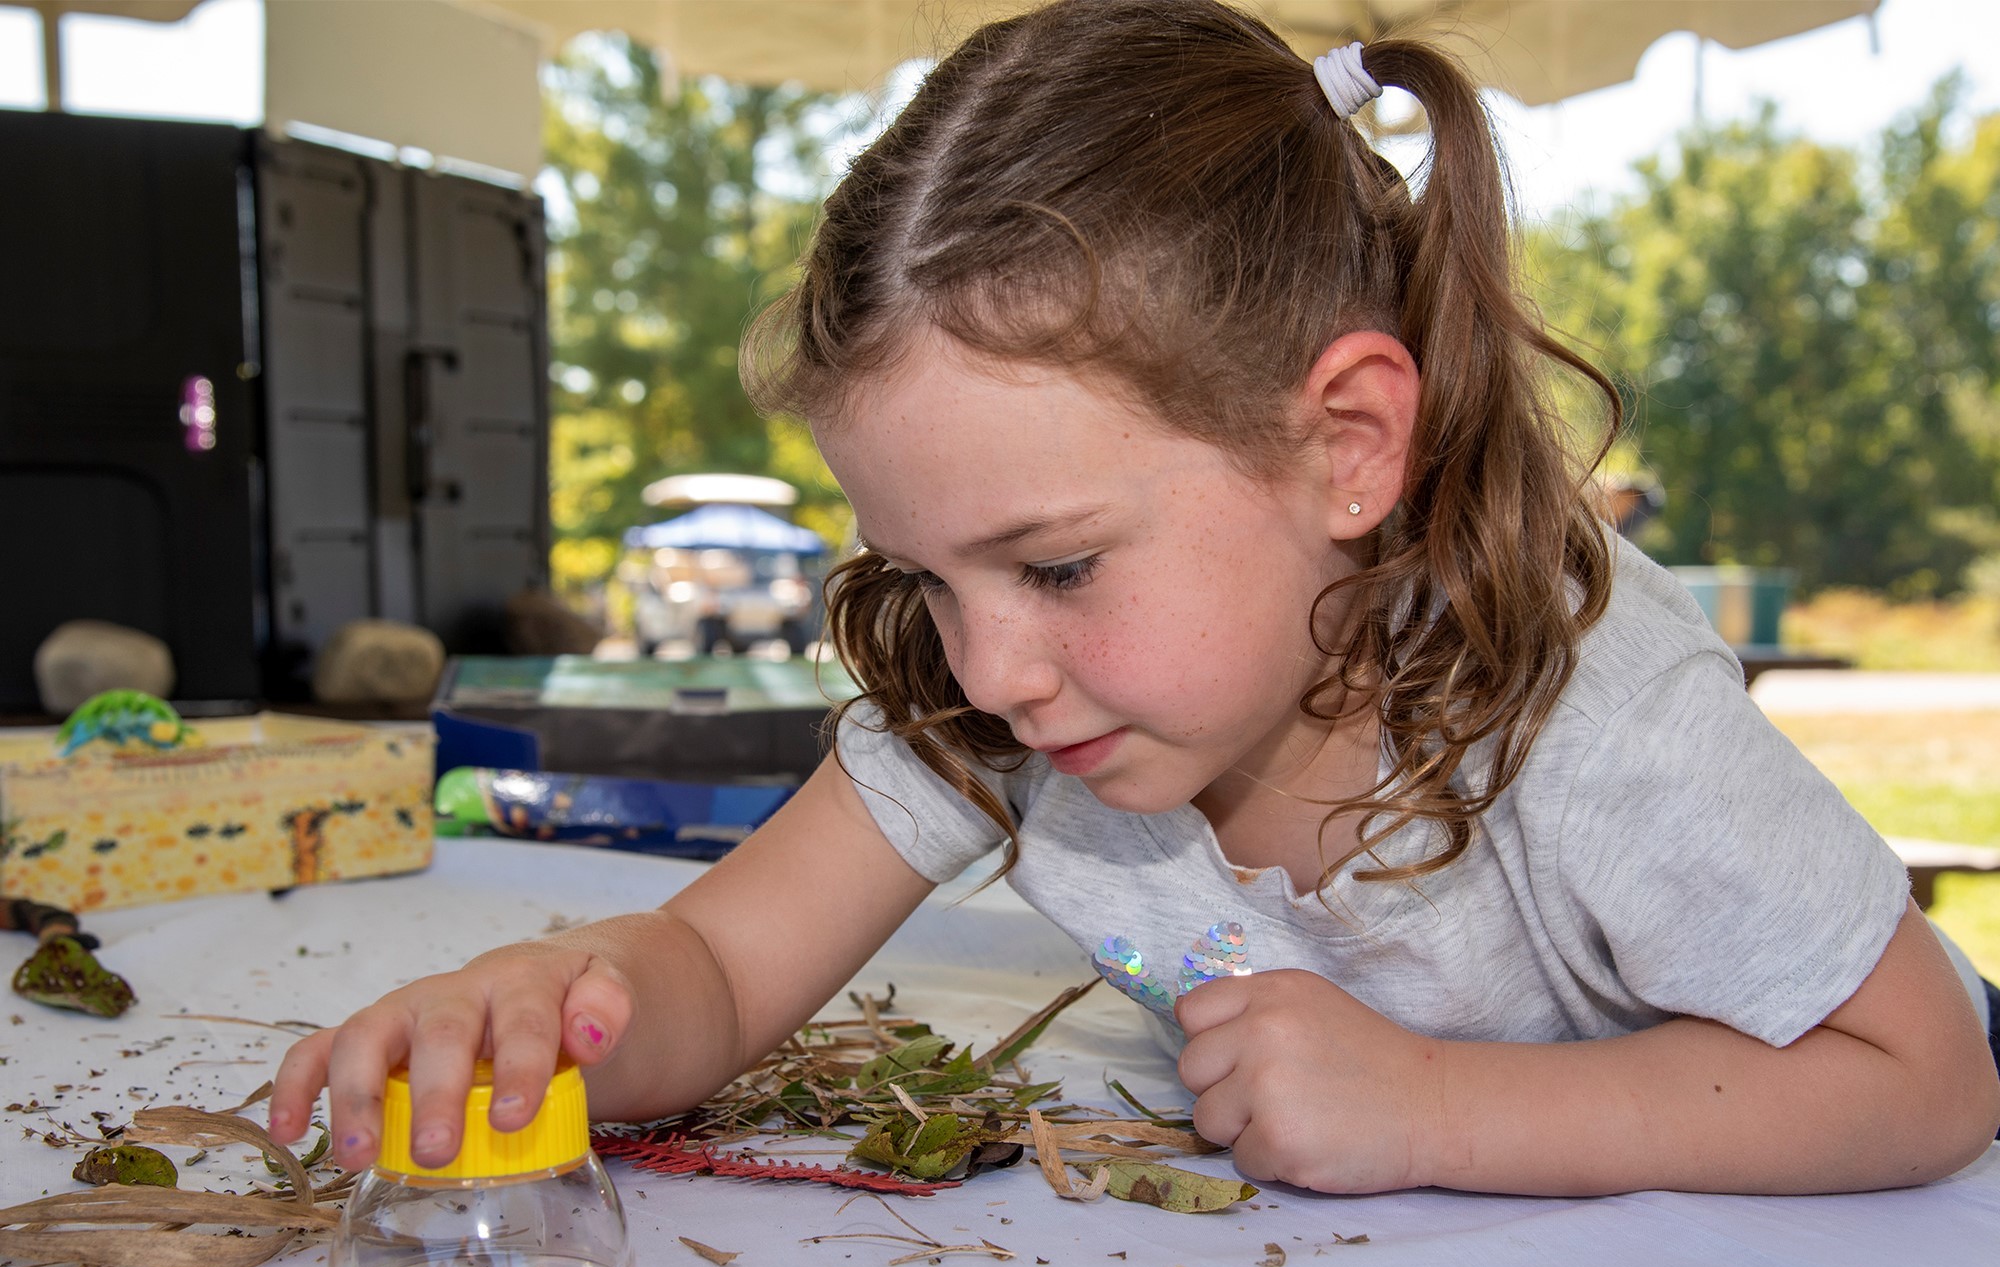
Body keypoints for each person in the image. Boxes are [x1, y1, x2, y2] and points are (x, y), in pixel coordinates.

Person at [272, 0, 2000, 1197]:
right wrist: (555, 1002)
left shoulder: (1586, 705)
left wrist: (1442, 1107)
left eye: (1058, 565)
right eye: (922, 574)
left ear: (1346, 446)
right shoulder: (1023, 687)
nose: (988, 663)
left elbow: (1922, 1079)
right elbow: (720, 963)